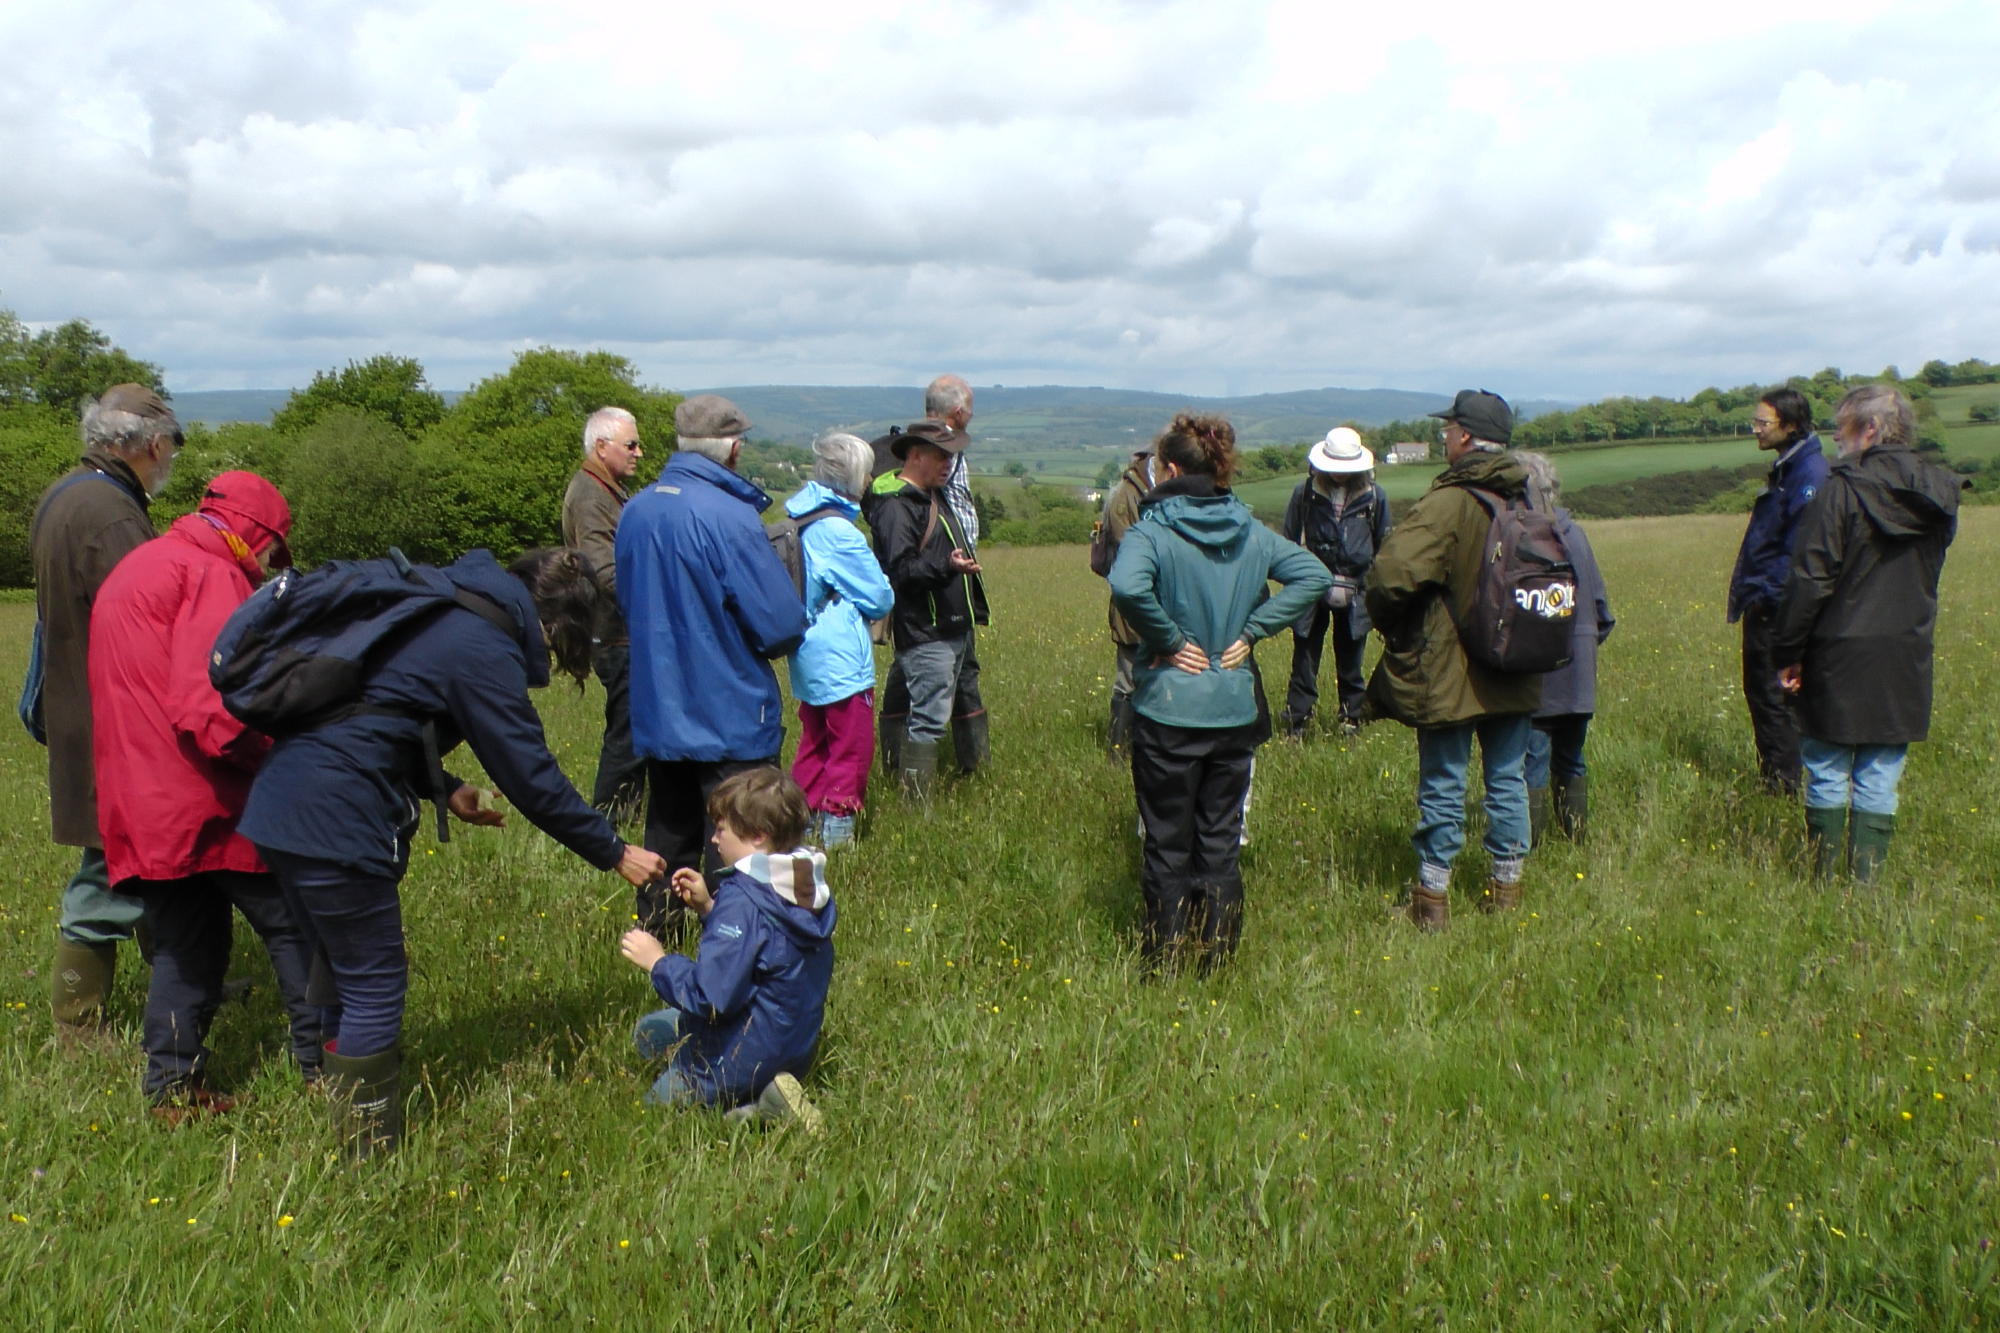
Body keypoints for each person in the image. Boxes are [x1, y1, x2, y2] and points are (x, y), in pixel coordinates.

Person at [238, 548, 668, 1156]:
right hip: (337, 814)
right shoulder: (481, 643)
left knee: (339, 965)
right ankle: (365, 1154)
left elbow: (376, 711)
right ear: (555, 622)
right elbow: (531, 777)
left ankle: (327, 1096)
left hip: (285, 802)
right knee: (374, 984)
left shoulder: (444, 606)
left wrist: (444, 786)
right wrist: (614, 851)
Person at [88, 471, 321, 1117]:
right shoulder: (210, 573)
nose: (272, 565)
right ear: (257, 533)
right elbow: (212, 708)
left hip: (141, 800)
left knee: (186, 946)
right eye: (276, 550)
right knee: (299, 926)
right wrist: (281, 759)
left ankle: (171, 1089)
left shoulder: (140, 566)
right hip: (207, 798)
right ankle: (329, 1072)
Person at [1108, 414, 1329, 972]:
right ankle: (1218, 959)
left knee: (1167, 842)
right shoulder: (1250, 529)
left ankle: (1164, 959)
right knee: (1220, 839)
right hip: (1233, 709)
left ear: (1170, 469)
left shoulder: (1152, 532)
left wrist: (1167, 639)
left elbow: (1126, 585)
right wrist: (1253, 631)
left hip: (1168, 709)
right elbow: (1314, 575)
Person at [616, 394, 808, 932]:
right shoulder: (731, 517)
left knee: (668, 837)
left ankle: (657, 945)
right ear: (734, 447)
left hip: (660, 704)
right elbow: (779, 624)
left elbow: (626, 602)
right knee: (742, 845)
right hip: (730, 709)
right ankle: (738, 945)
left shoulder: (636, 511)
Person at [1363, 390, 1541, 931]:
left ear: (1464, 436)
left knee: (1444, 782)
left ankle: (1432, 902)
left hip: (1451, 666)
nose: (1444, 438)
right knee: (1507, 779)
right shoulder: (1529, 496)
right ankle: (1506, 894)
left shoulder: (1450, 500)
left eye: (1447, 430)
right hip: (1517, 660)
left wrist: (1394, 625)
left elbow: (1391, 574)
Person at [29, 384, 177, 1037]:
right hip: (114, 720)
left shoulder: (66, 493)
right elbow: (151, 620)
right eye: (172, 444)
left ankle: (182, 981)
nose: (170, 458)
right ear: (153, 443)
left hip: (82, 707)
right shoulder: (112, 514)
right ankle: (78, 1025)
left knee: (152, 859)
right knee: (110, 871)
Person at [1773, 384, 1962, 883]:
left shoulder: (1840, 489)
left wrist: (1787, 651)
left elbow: (1810, 578)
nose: (1835, 437)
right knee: (1880, 774)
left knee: (1827, 769)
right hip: (1905, 648)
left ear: (1872, 429)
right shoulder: (1942, 491)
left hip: (1835, 649)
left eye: (1842, 426)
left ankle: (1823, 882)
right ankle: (1865, 887)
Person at [620, 767, 834, 1132]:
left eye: (721, 829)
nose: (714, 839)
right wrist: (709, 909)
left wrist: (658, 962)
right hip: (794, 1047)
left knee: (653, 1111)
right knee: (651, 1031)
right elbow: (766, 948)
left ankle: (744, 1115)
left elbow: (711, 998)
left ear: (757, 836)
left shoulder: (741, 900)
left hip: (739, 1055)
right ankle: (769, 1098)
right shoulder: (801, 884)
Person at [865, 420, 990, 798]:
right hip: (926, 630)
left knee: (915, 708)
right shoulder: (897, 506)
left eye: (951, 457)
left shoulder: (931, 495)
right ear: (915, 455)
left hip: (948, 626)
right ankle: (915, 804)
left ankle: (902, 782)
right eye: (941, 456)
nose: (948, 464)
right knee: (929, 721)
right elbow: (900, 571)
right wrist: (947, 566)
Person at [785, 432, 894, 847]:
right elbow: (880, 598)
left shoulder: (802, 517)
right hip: (841, 657)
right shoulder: (839, 532)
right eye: (866, 473)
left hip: (807, 650)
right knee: (851, 745)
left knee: (814, 743)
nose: (868, 481)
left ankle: (798, 825)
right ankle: (837, 833)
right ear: (853, 476)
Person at [1727, 387, 1829, 797]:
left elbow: (1799, 551)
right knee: (1765, 696)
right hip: (1771, 603)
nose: (1755, 429)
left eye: (1762, 422)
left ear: (1790, 425)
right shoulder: (1790, 468)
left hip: (1777, 608)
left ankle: (1781, 788)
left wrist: (1766, 597)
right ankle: (1780, 780)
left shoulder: (1808, 475)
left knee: (1772, 698)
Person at [1513, 453, 1615, 844]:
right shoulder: (1577, 534)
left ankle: (1531, 847)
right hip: (1579, 669)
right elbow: (1602, 611)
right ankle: (1576, 840)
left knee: (1532, 763)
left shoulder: (1521, 538)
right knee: (1572, 758)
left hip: (1537, 670)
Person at [1278, 427, 1392, 738]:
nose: (1339, 473)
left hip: (1357, 588)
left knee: (1352, 659)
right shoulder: (1304, 494)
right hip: (1310, 587)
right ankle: (1297, 719)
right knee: (1304, 658)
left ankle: (1350, 719)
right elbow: (1288, 540)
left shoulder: (1375, 497)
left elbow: (1384, 545)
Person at [561, 405, 646, 819]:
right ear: (601, 446)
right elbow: (603, 571)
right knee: (628, 733)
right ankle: (610, 818)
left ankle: (624, 813)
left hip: (619, 632)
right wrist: (656, 597)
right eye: (630, 445)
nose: (638, 453)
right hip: (615, 634)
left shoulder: (604, 489)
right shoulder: (592, 496)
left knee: (634, 729)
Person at [1092, 445, 1155, 758]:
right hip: (1132, 604)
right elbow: (1130, 551)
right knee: (1129, 678)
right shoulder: (1125, 497)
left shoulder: (1153, 490)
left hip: (1156, 602)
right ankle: (1119, 751)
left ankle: (1146, 746)